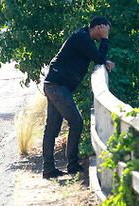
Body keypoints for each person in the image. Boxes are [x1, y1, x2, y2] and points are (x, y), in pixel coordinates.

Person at [42, 16, 115, 179]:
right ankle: (72, 165)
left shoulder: (84, 38)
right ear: (98, 27)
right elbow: (99, 58)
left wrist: (104, 60)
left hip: (55, 85)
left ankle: (49, 169)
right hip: (56, 86)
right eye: (105, 30)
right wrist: (105, 39)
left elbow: (98, 57)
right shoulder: (82, 37)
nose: (105, 33)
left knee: (52, 128)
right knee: (76, 122)